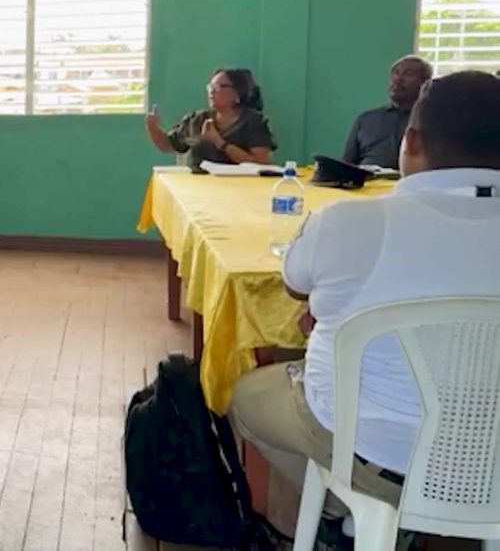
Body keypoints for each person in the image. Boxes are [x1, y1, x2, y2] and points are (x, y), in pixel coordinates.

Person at [230, 71, 500, 521]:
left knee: (247, 398)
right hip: (493, 461)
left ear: (410, 141)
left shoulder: (350, 223)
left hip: (376, 451)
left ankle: (342, 511)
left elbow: (295, 284)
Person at [145, 68, 276, 166]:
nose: (211, 91)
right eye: (210, 87)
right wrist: (153, 127)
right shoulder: (197, 119)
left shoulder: (252, 122)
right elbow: (167, 146)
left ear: (238, 93)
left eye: (218, 87)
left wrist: (219, 142)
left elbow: (261, 164)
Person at [342, 56, 434, 169]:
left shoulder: (434, 120)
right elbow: (347, 165)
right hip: (367, 183)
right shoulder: (366, 119)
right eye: (395, 73)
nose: (398, 79)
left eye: (408, 74)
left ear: (426, 83)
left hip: (412, 184)